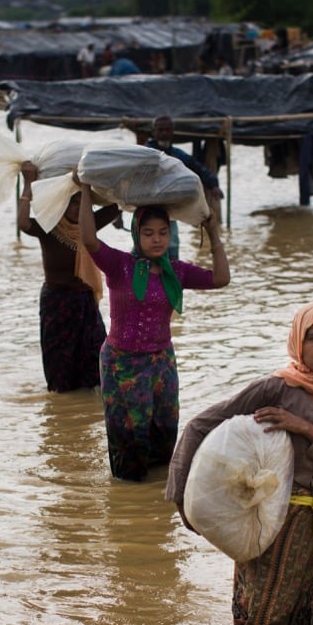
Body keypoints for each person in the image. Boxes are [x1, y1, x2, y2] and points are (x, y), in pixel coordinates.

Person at [165, 301, 313, 625]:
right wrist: (182, 497)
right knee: (262, 623)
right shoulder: (277, 389)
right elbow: (200, 425)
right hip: (271, 520)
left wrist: (311, 431)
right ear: (298, 341)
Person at [78, 181, 230, 481]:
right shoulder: (120, 265)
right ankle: (129, 501)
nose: (156, 239)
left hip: (162, 362)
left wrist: (213, 233)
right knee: (128, 436)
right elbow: (88, 239)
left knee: (164, 428)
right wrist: (84, 191)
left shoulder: (177, 271)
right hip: (122, 363)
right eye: (148, 233)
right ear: (136, 234)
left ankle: (155, 509)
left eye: (163, 232)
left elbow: (221, 279)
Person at [18, 161, 120, 392]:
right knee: (59, 362)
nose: (76, 208)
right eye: (72, 203)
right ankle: (64, 406)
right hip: (57, 302)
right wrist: (28, 184)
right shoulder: (50, 226)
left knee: (95, 356)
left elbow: (115, 208)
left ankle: (85, 407)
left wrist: (87, 185)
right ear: (62, 205)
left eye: (80, 204)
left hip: (84, 302)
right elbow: (24, 223)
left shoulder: (88, 226)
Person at [146, 115, 225, 258]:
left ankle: (172, 278)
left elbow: (198, 168)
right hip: (147, 209)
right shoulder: (145, 153)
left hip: (168, 209)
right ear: (154, 132)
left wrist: (213, 184)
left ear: (172, 132)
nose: (164, 133)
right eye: (160, 129)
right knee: (146, 247)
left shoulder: (177, 155)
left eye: (167, 130)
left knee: (172, 246)